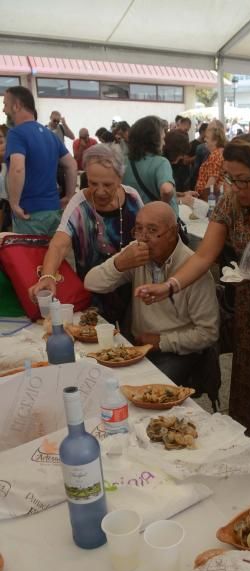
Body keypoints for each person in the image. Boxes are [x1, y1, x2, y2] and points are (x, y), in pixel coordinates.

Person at [133, 134, 250, 436]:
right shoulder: (230, 202)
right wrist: (170, 286)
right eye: (231, 178)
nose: (236, 187)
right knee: (246, 377)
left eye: (243, 180)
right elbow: (204, 256)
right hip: (248, 303)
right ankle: (245, 439)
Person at [84, 201, 219, 384]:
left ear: (173, 232)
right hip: (135, 343)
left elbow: (208, 333)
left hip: (175, 351)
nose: (143, 238)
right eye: (138, 229)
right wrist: (119, 263)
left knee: (145, 388)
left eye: (152, 230)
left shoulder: (193, 268)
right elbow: (91, 283)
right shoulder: (136, 253)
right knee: (96, 378)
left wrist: (161, 342)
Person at [28, 144, 143, 323]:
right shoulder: (79, 204)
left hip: (133, 293)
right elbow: (59, 244)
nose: (99, 191)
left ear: (120, 177)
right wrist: (48, 275)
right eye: (92, 183)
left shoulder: (133, 198)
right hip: (93, 297)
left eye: (107, 184)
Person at [3, 87, 77, 236]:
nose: (4, 110)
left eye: (5, 104)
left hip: (29, 213)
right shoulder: (50, 135)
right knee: (50, 257)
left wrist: (14, 203)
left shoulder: (16, 134)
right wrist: (69, 196)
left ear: (16, 106)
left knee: (30, 259)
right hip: (53, 211)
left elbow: (17, 168)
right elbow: (72, 165)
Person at [122, 115, 178, 216]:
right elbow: (166, 190)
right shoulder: (161, 162)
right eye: (162, 138)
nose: (164, 143)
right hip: (160, 222)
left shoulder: (124, 162)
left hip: (135, 218)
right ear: (154, 140)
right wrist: (160, 208)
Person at [195, 123, 227, 197]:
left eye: (207, 137)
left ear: (215, 140)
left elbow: (211, 181)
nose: (204, 139)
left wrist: (204, 198)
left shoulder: (215, 155)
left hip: (209, 198)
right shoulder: (221, 152)